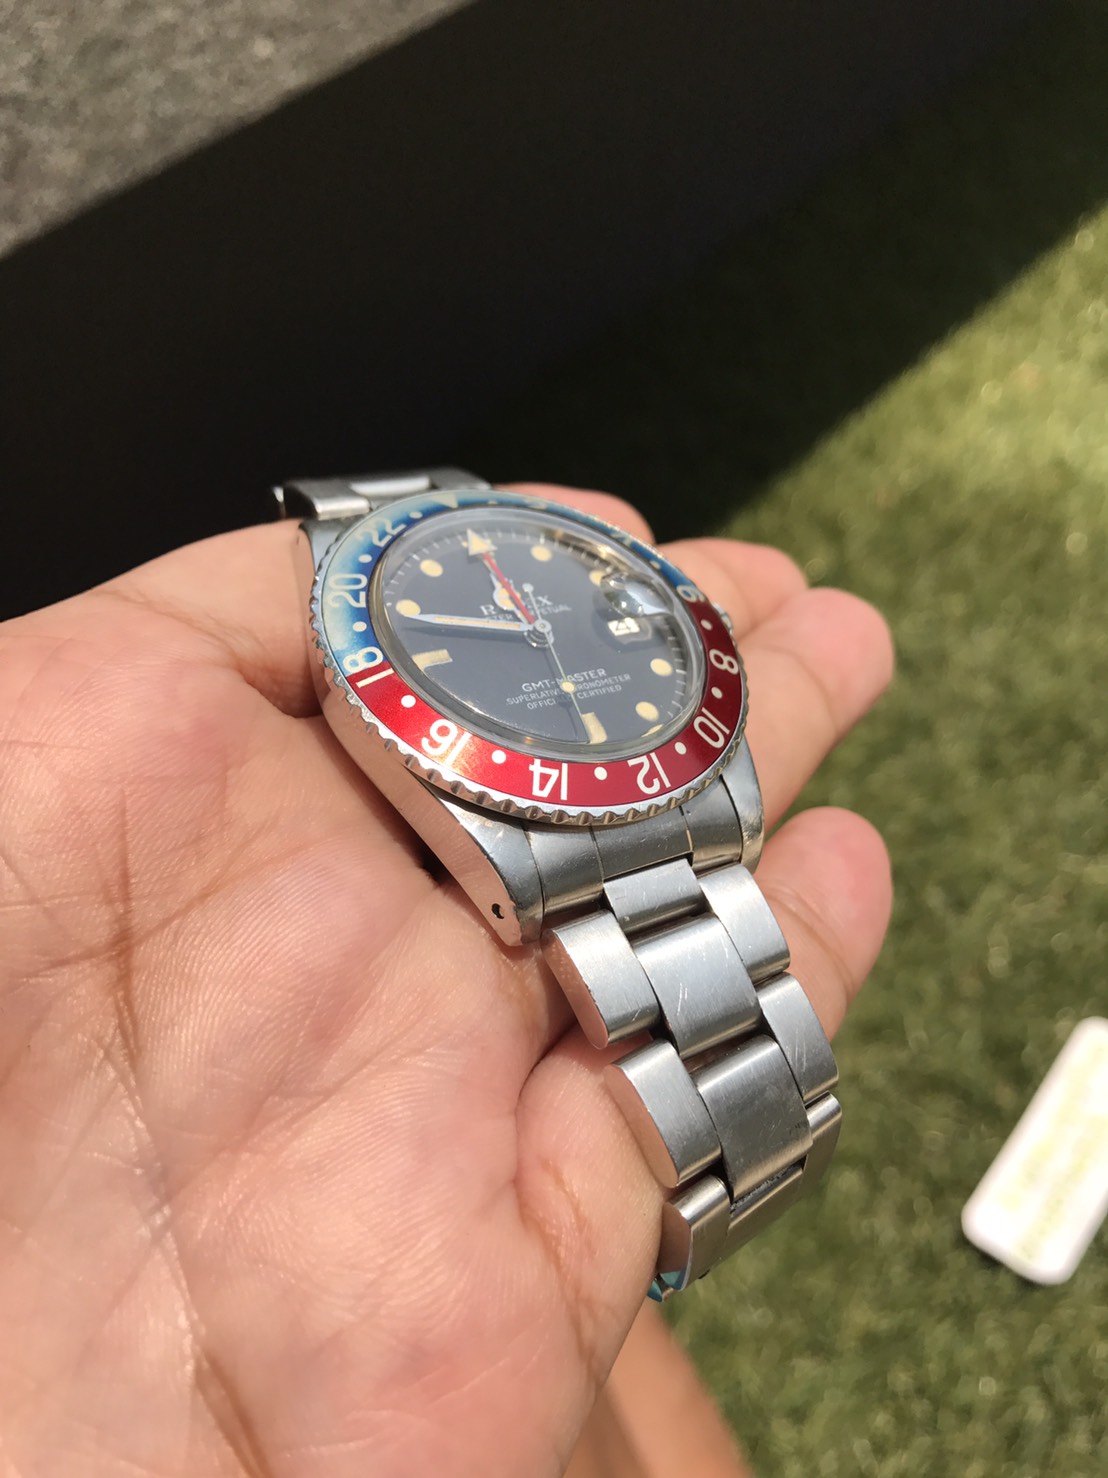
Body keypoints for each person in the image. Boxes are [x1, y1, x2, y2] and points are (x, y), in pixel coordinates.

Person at [0, 484, 893, 1476]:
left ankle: (716, 1188)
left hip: (646, 790)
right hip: (550, 836)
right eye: (509, 627)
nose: (531, 629)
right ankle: (718, 1186)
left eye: (531, 618)